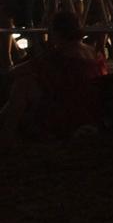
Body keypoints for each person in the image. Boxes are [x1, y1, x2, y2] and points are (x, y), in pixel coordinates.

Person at [1, 9, 106, 142]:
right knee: (25, 83)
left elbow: (14, 72)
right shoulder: (93, 53)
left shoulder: (61, 55)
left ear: (57, 33)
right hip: (88, 104)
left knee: (22, 85)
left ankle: (6, 136)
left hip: (67, 106)